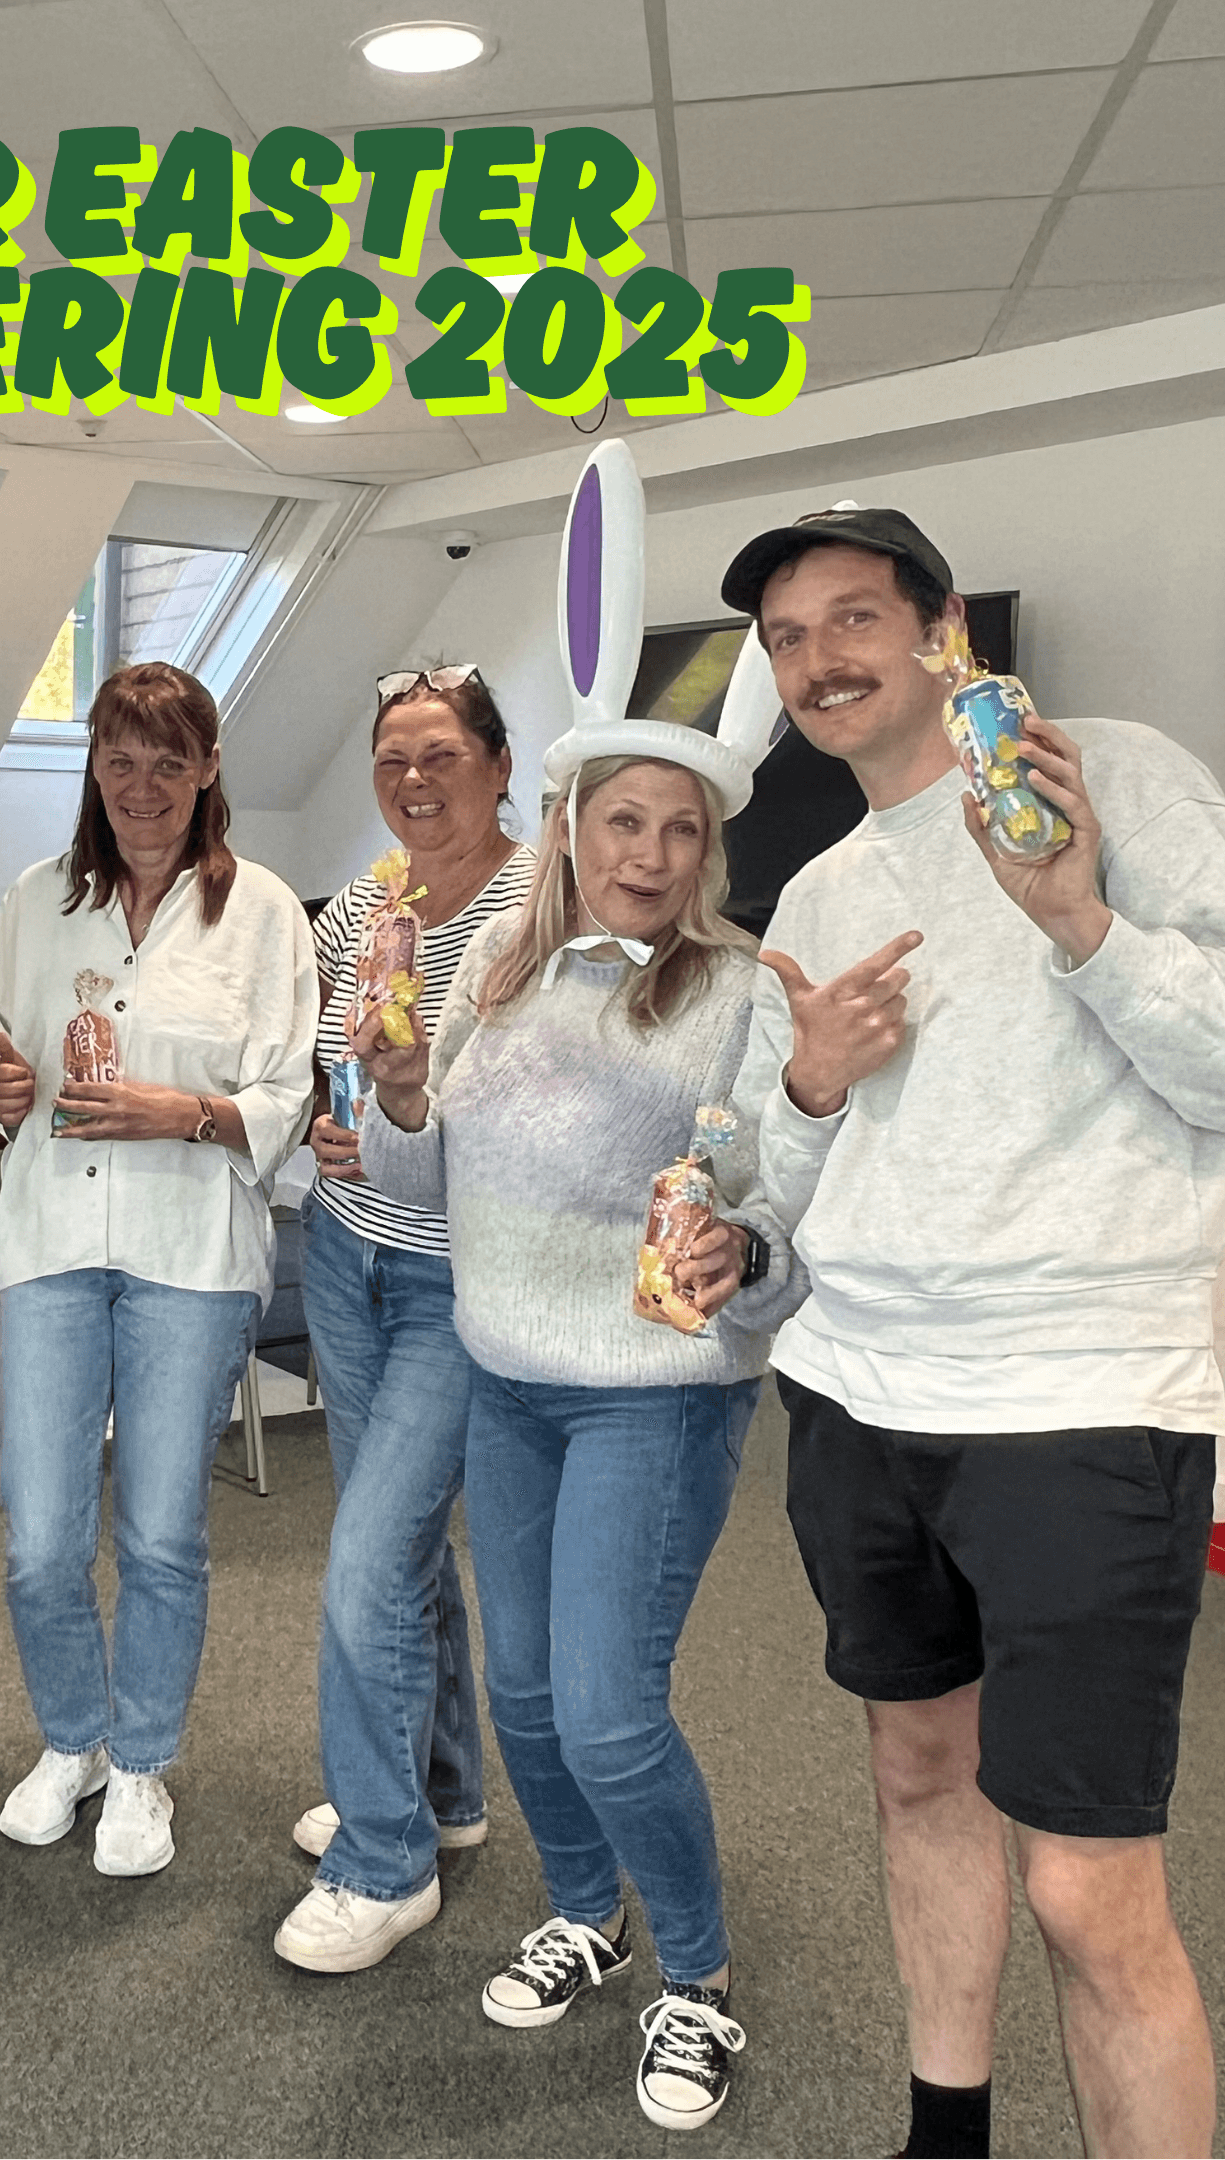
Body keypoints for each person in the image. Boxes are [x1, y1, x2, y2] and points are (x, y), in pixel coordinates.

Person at [723, 505, 1225, 2160]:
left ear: (944, 627)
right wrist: (811, 1080)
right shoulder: (816, 888)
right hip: (862, 1398)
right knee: (915, 1783)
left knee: (1091, 1886)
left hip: (1081, 1400)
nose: (822, 659)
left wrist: (1080, 919)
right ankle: (944, 2135)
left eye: (855, 616)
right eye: (789, 638)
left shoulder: (1122, 780)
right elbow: (768, 1167)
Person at [355, 728, 801, 2133]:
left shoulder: (736, 993)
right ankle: (580, 1912)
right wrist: (399, 1089)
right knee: (528, 1697)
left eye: (679, 831)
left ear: (707, 849)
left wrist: (747, 1245)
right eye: (622, 824)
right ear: (567, 828)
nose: (648, 858)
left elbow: (781, 1194)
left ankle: (697, 1976)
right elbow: (421, 1174)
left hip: (650, 1393)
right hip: (507, 1376)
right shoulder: (504, 974)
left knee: (609, 1712)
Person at [0, 661, 318, 1878]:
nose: (142, 784)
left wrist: (190, 1112)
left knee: (163, 1533)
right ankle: (72, 1740)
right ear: (93, 767)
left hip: (189, 1253)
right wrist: (0, 1091)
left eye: (170, 759)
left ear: (209, 769)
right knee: (39, 1539)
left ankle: (142, 1765)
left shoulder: (264, 913)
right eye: (120, 757)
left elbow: (289, 1092)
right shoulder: (34, 901)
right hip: (55, 1245)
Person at [273, 664, 535, 1975]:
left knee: (369, 1562)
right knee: (406, 1555)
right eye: (394, 759)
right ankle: (441, 1791)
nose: (416, 781)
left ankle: (383, 1860)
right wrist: (333, 1124)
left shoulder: (538, 905)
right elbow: (338, 1060)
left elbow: (545, 1105)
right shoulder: (363, 906)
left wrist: (415, 1110)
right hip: (349, 1258)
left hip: (460, 1278)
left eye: (441, 755)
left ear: (497, 764)